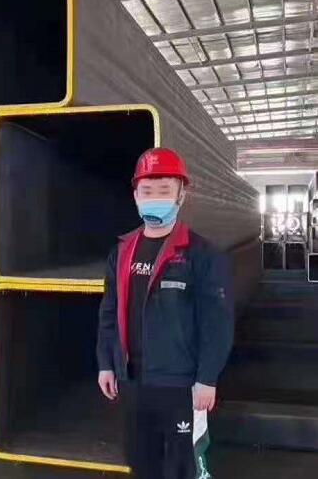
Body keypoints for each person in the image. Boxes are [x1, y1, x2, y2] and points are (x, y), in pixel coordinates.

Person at [96, 148, 234, 479]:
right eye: (147, 191)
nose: (154, 198)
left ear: (180, 195)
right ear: (135, 196)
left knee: (184, 465)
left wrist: (207, 378)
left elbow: (217, 322)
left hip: (180, 383)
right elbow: (109, 311)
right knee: (141, 461)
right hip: (132, 380)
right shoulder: (122, 252)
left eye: (164, 190)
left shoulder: (201, 254)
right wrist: (106, 363)